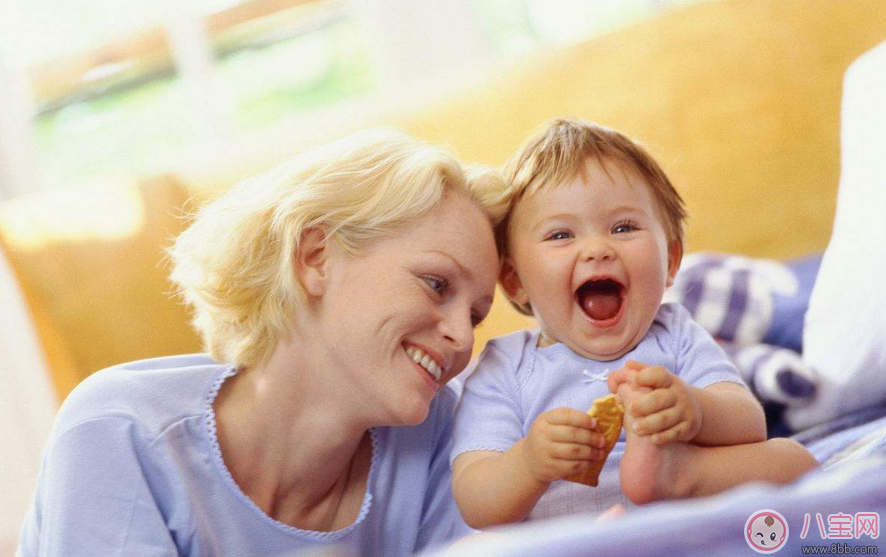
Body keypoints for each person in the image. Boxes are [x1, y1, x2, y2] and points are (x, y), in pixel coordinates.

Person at [16, 130, 509, 557]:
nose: (462, 337)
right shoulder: (122, 432)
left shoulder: (442, 434)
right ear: (316, 258)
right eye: (436, 284)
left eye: (476, 314)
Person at [450, 119, 818, 528]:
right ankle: (672, 479)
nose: (597, 249)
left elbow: (749, 422)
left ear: (671, 261)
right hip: (575, 538)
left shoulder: (675, 333)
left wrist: (695, 409)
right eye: (560, 235)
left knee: (796, 459)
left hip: (683, 513)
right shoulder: (504, 368)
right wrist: (529, 462)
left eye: (623, 227)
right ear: (515, 280)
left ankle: (678, 474)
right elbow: (475, 500)